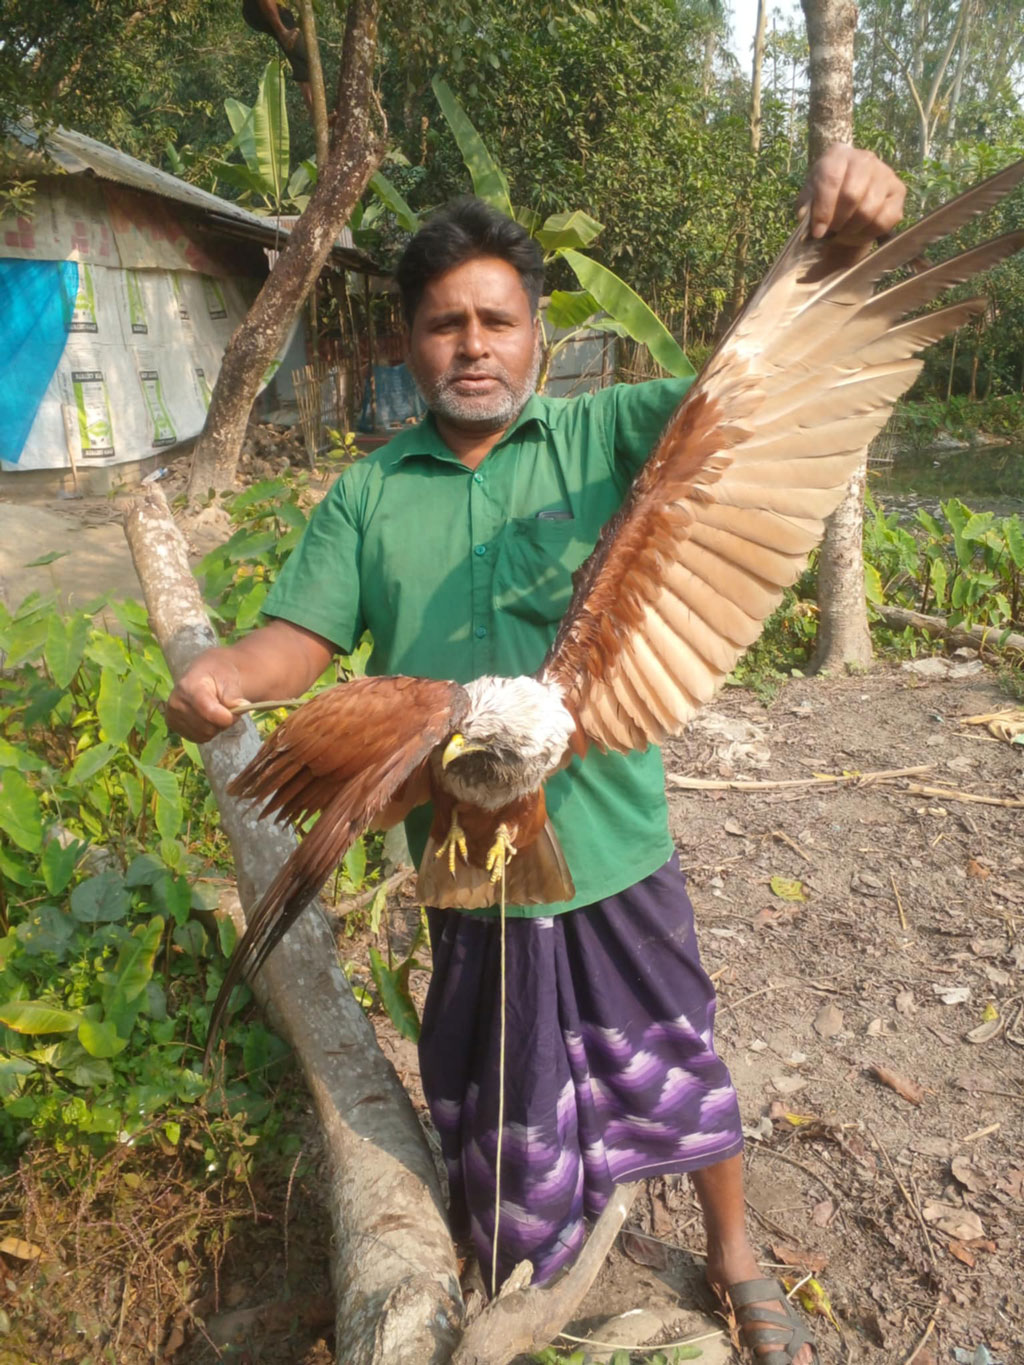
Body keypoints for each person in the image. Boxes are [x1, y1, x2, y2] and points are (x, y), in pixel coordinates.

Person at [168, 144, 905, 1364]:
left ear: (536, 334)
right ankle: (519, 1274)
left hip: (611, 834)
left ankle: (732, 1253)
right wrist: (225, 678)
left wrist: (828, 250)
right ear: (409, 343)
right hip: (465, 851)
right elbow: (296, 641)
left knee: (675, 1046)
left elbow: (749, 391)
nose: (472, 344)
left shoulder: (605, 433)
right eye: (445, 323)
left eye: (495, 320)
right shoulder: (368, 496)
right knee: (493, 1083)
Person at [240, 0, 314, 114]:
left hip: (269, 11)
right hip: (260, 7)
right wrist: (282, 30)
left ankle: (316, 113)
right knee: (301, 55)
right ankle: (282, 31)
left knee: (303, 60)